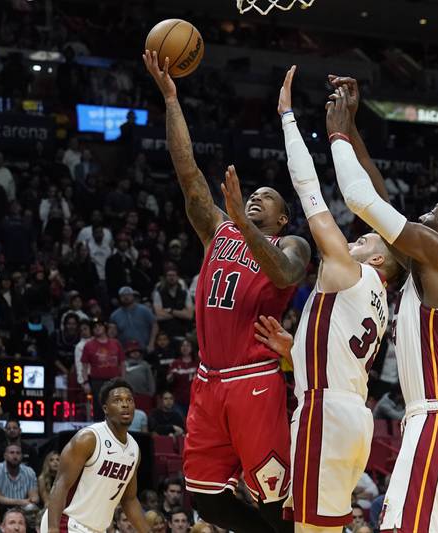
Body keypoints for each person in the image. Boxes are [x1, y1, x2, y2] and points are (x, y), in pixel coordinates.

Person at [144, 51, 311, 533]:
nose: (256, 196)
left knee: (270, 498)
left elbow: (283, 275)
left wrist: (245, 224)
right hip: (207, 379)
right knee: (202, 496)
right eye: (251, 195)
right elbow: (188, 173)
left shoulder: (290, 242)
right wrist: (172, 100)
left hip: (255, 379)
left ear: (281, 217)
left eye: (267, 198)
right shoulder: (219, 230)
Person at [325, 75, 438, 532]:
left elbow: (361, 200)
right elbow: (380, 199)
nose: (418, 220)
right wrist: (355, 127)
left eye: (429, 218)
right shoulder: (429, 269)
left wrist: (336, 134)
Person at [251, 66, 400, 533]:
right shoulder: (378, 297)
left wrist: (288, 119)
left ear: (380, 262)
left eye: (371, 241)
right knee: (317, 523)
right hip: (349, 414)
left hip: (325, 413)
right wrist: (295, 352)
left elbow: (309, 192)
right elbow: (341, 358)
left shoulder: (348, 270)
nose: (361, 238)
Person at [41, 379, 149, 533]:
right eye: (118, 401)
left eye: (129, 400)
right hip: (68, 523)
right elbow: (60, 485)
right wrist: (53, 529)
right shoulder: (88, 439)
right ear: (105, 408)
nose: (125, 405)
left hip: (96, 529)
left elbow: (129, 499)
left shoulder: (134, 449)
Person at [81, 317, 125, 421]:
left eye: (99, 325)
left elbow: (122, 363)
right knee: (99, 408)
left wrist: (123, 379)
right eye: (94, 327)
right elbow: (84, 366)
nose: (97, 328)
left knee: (116, 406)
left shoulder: (116, 343)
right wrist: (86, 382)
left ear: (104, 327)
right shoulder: (88, 345)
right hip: (97, 382)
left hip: (114, 381)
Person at [0, 444, 38, 510]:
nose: (15, 456)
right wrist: (20, 502)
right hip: (0, 509)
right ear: (5, 456)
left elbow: (34, 496)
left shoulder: (29, 472)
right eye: (11, 453)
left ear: (22, 456)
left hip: (23, 509)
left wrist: (33, 499)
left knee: (32, 508)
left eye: (18, 453)